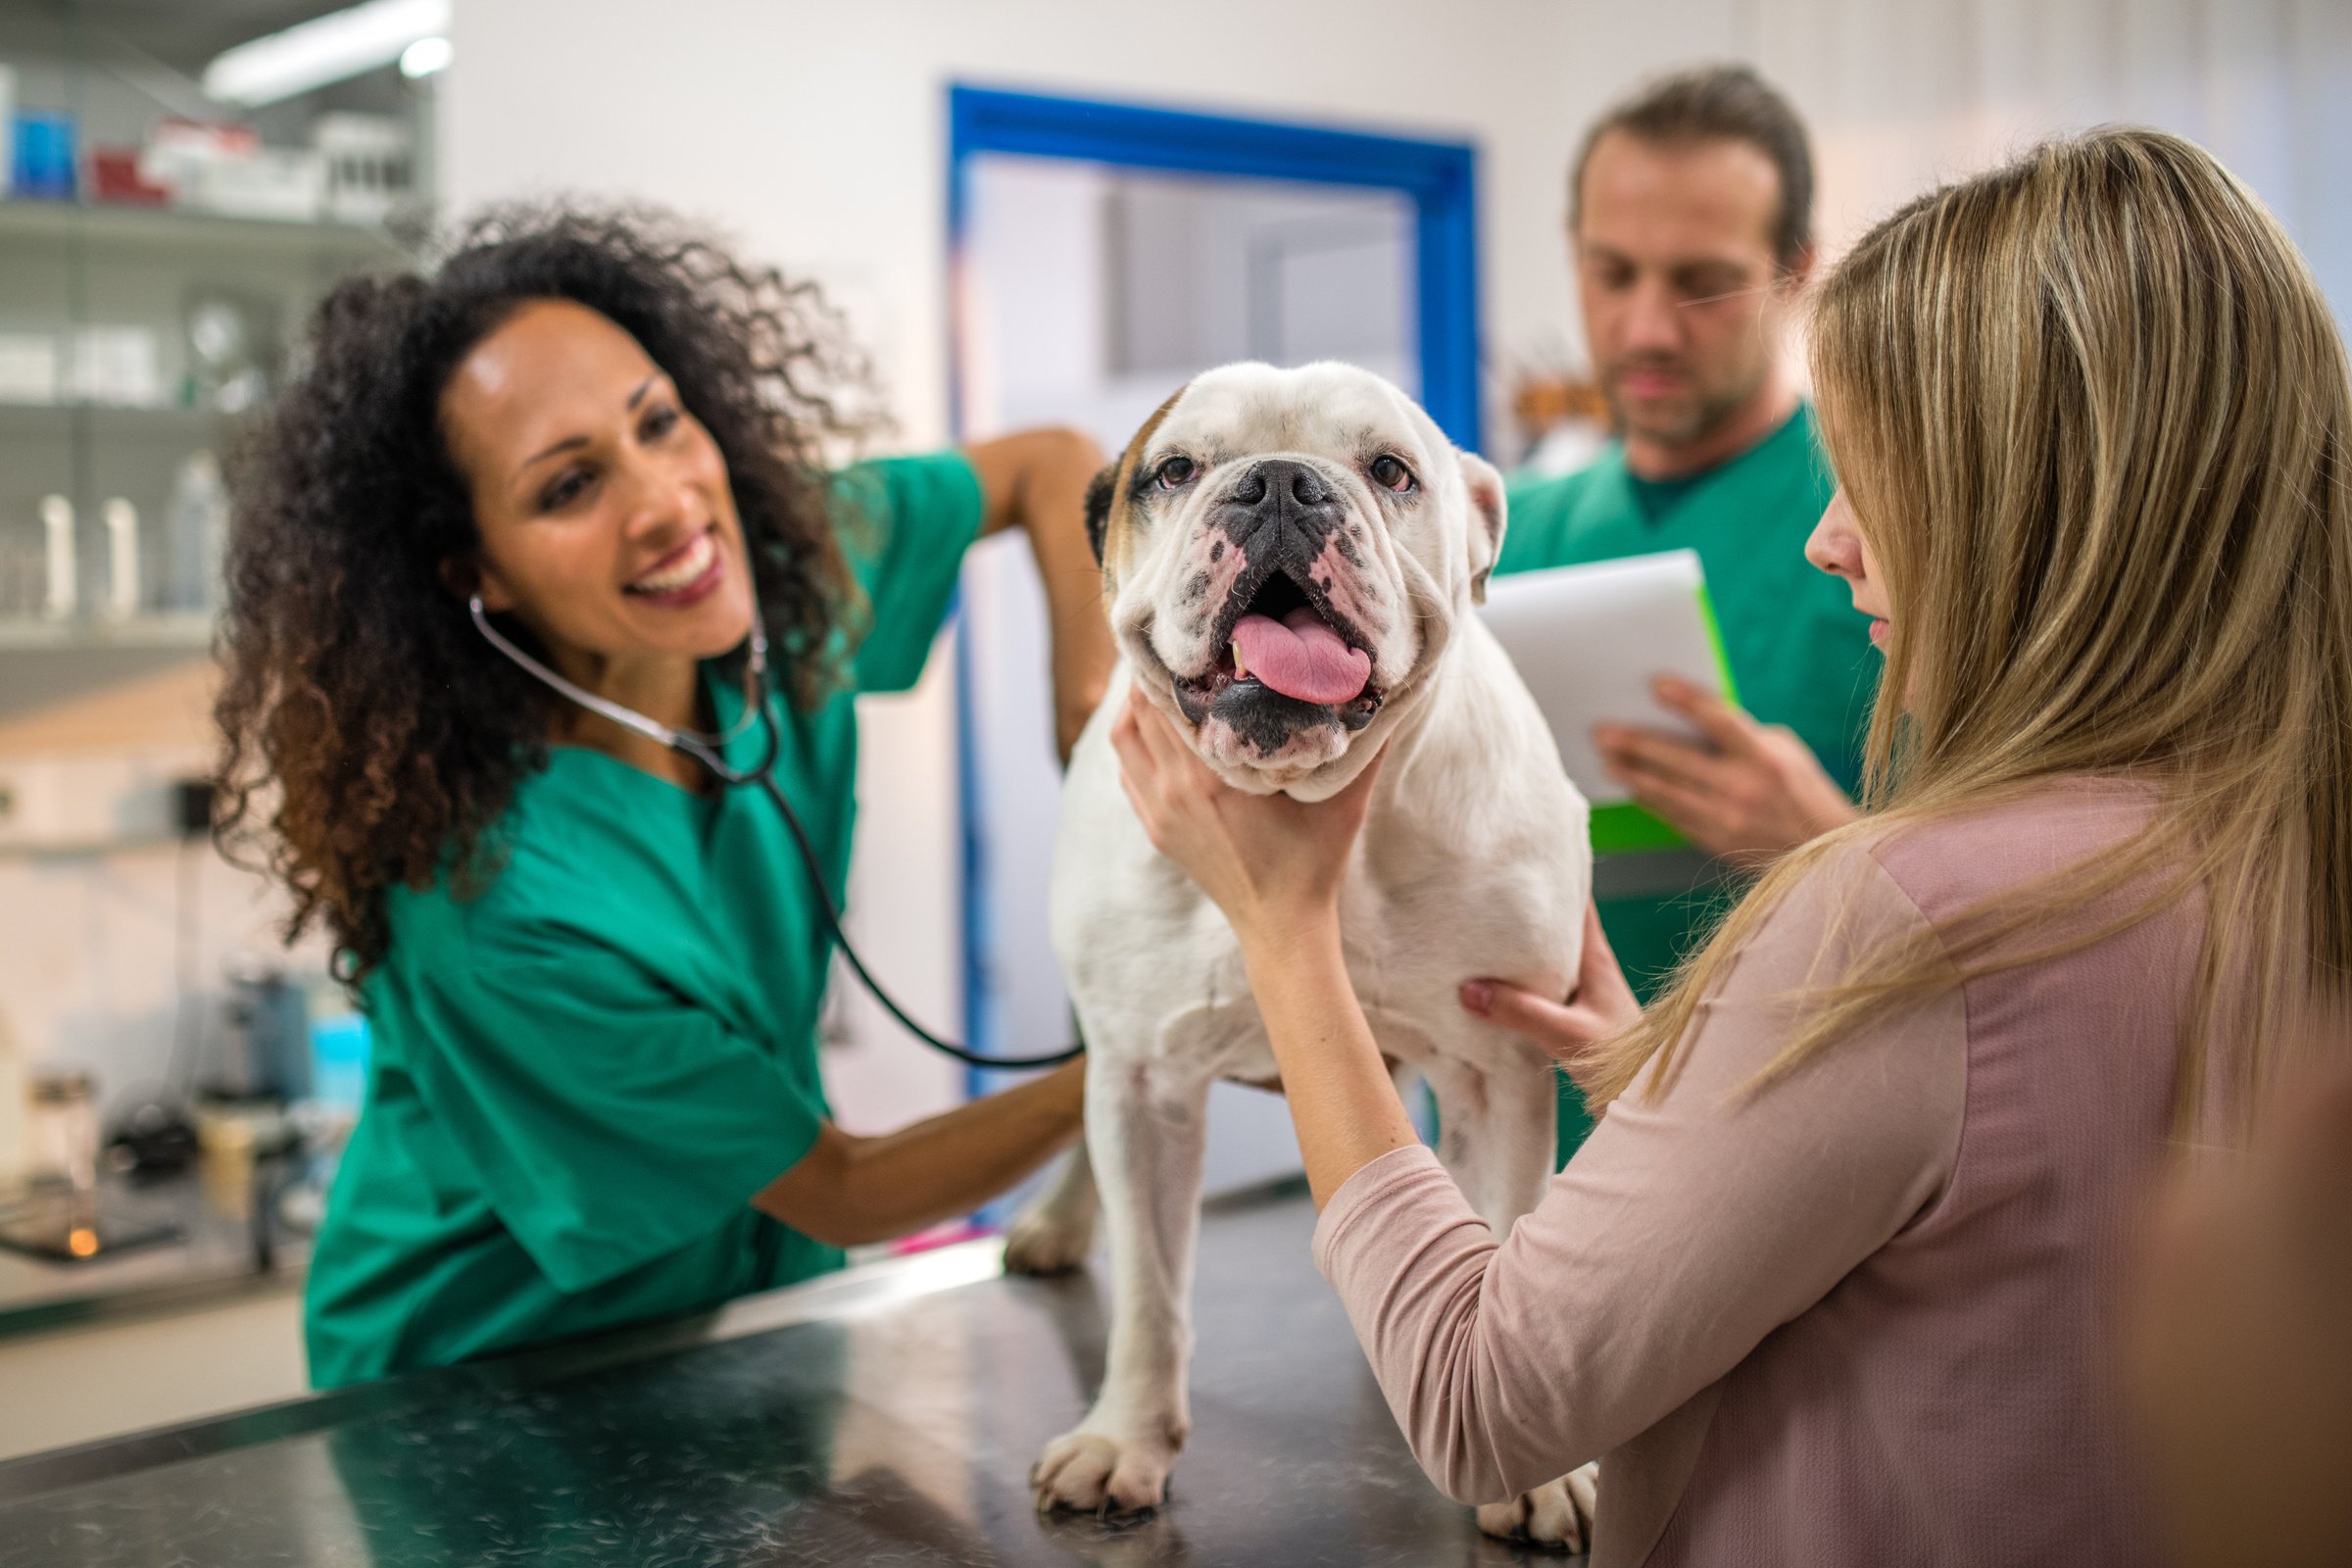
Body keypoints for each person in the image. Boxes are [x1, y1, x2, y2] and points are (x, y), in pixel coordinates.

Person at [1112, 126, 2350, 1565]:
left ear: (2046, 512)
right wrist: (1664, 1066)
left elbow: (1482, 1403)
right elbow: (1968, 1203)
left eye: (1884, 474)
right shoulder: (2269, 850)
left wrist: (1284, 932)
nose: (1830, 543)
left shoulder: (1902, 909)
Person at [216, 208, 1116, 1388]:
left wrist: (1090, 700)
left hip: (747, 1315)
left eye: (660, 423)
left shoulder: (779, 573)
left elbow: (1053, 465)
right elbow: (843, 1187)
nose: (669, 504)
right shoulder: (491, 898)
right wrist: (1158, 1048)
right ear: (473, 571)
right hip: (487, 1379)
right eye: (571, 484)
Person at [1477, 66, 1873, 1159]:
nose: (1645, 327)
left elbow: (2038, 913)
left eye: (1701, 283)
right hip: (1498, 1172)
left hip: (1790, 1176)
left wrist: (1830, 855)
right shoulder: (1496, 534)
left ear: (1795, 271)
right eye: (1612, 274)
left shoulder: (1893, 526)